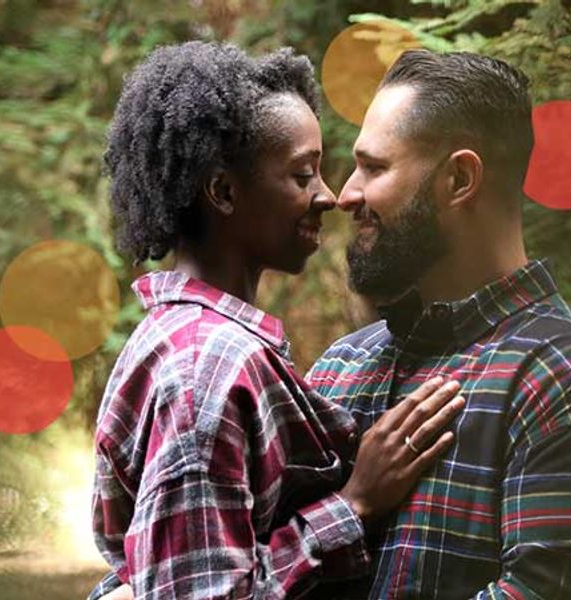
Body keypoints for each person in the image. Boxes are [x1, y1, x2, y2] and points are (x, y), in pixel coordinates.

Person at [88, 42, 464, 600]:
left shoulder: (185, 341)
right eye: (301, 175)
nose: (329, 196)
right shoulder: (206, 371)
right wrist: (354, 502)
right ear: (223, 191)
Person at [306, 49, 571, 599]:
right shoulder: (339, 368)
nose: (345, 194)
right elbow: (239, 555)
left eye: (373, 167)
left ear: (459, 178)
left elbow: (543, 592)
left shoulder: (569, 376)